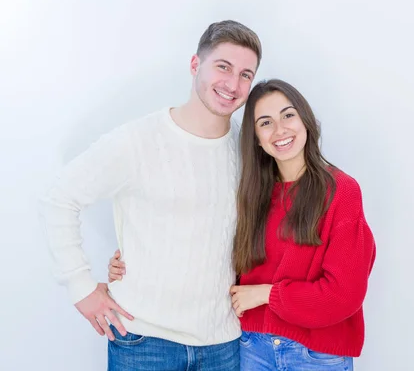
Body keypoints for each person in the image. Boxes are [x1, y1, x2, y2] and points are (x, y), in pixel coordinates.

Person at [39, 20, 262, 371]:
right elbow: (60, 198)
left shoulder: (247, 149)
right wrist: (80, 287)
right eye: (223, 67)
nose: (233, 84)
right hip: (144, 343)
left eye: (246, 74)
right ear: (194, 65)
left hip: (224, 344)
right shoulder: (138, 141)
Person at [109, 79, 377, 370]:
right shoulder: (250, 194)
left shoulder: (341, 191)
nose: (280, 130)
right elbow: (203, 245)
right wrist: (134, 259)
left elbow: (342, 296)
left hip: (315, 356)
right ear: (257, 140)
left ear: (306, 120)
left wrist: (267, 294)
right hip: (251, 347)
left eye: (288, 115)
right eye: (265, 123)